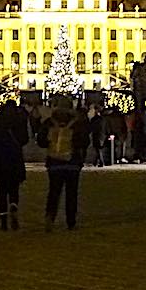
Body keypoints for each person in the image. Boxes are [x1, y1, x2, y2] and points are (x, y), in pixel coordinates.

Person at [39, 95, 88, 230]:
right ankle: (70, 221)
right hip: (73, 162)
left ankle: (50, 216)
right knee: (71, 193)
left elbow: (41, 141)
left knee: (54, 191)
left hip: (54, 161)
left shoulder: (50, 122)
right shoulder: (78, 123)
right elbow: (84, 141)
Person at [0, 100, 29, 229]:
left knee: (2, 190)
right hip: (15, 158)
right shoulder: (19, 122)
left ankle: (3, 219)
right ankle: (14, 205)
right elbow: (24, 140)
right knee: (14, 188)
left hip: (0, 158)